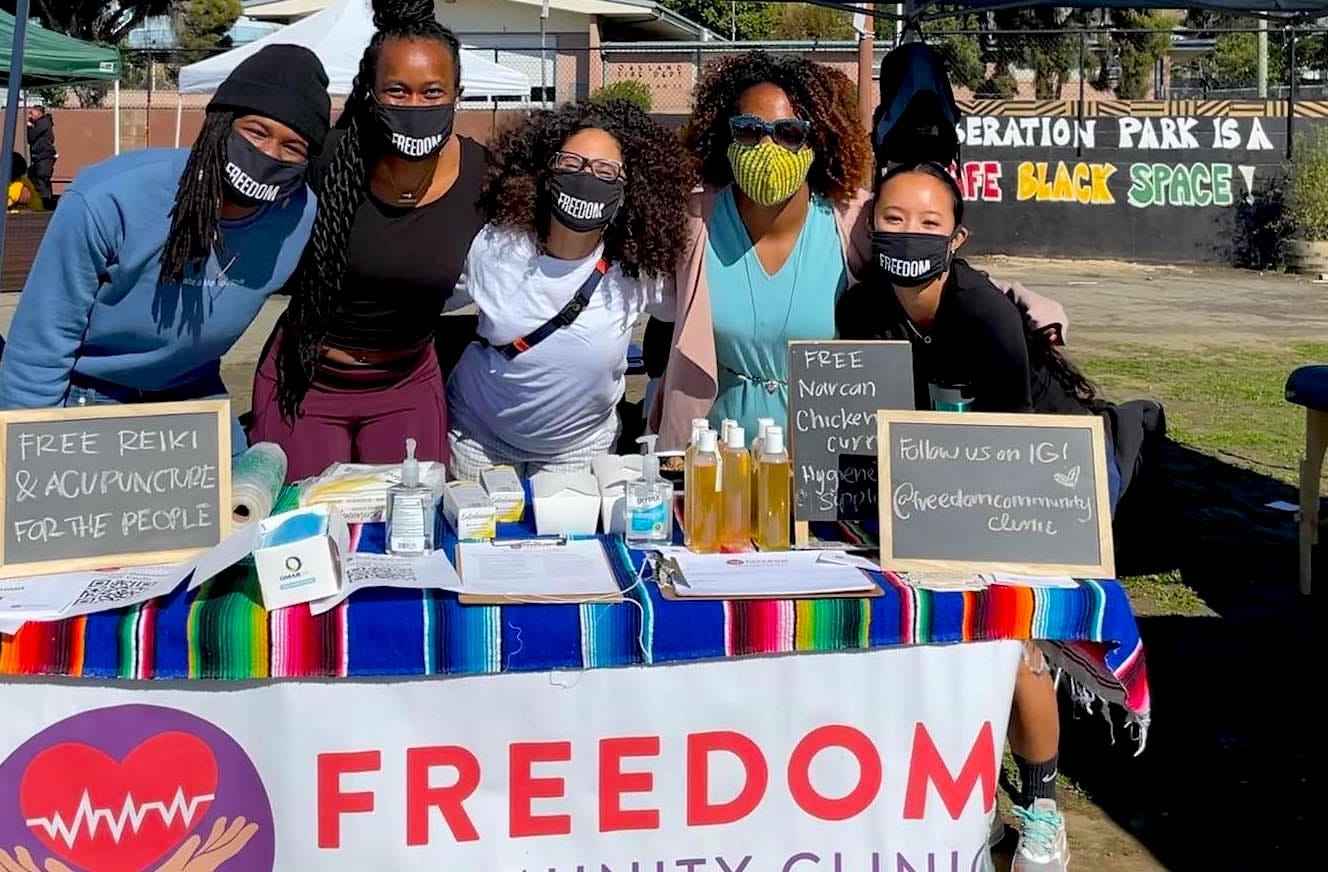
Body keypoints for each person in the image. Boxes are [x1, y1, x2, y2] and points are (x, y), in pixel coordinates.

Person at [837, 161, 1167, 872]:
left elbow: (1009, 449)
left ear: (958, 238)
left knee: (1011, 633)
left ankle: (1042, 807)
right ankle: (966, 792)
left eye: (930, 223)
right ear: (869, 225)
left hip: (1044, 473)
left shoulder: (982, 313)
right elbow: (869, 416)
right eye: (892, 219)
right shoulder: (859, 305)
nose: (909, 234)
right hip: (932, 475)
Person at [0, 44, 331, 519]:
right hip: (85, 403)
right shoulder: (109, 198)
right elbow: (42, 345)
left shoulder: (298, 214)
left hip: (193, 404)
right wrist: (15, 473)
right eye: (256, 132)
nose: (270, 154)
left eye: (292, 147)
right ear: (219, 126)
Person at [649, 51, 1067, 450]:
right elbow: (631, 288)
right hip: (711, 453)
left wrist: (1028, 306)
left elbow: (933, 275)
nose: (767, 147)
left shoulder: (850, 220)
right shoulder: (694, 219)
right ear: (725, 133)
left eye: (790, 132)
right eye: (749, 130)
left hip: (825, 456)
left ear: (818, 140)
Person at [251, 0, 483, 481]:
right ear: (371, 93)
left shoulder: (486, 176)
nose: (415, 105)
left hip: (406, 387)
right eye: (396, 91)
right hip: (304, 383)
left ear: (457, 93)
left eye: (432, 92)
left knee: (408, 539)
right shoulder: (326, 161)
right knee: (297, 537)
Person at [443, 99, 690, 479]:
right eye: (571, 164)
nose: (586, 177)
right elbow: (424, 299)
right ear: (544, 172)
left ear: (629, 191)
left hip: (579, 451)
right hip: (479, 439)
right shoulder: (493, 247)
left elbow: (695, 312)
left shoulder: (639, 271)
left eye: (606, 171)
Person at [25, 105, 57, 202]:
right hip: (40, 157)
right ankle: (45, 202)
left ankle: (44, 203)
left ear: (39, 113)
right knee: (37, 179)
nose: (30, 116)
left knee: (41, 181)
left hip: (43, 157)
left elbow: (31, 137)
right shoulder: (42, 123)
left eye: (32, 113)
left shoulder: (43, 123)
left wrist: (30, 128)